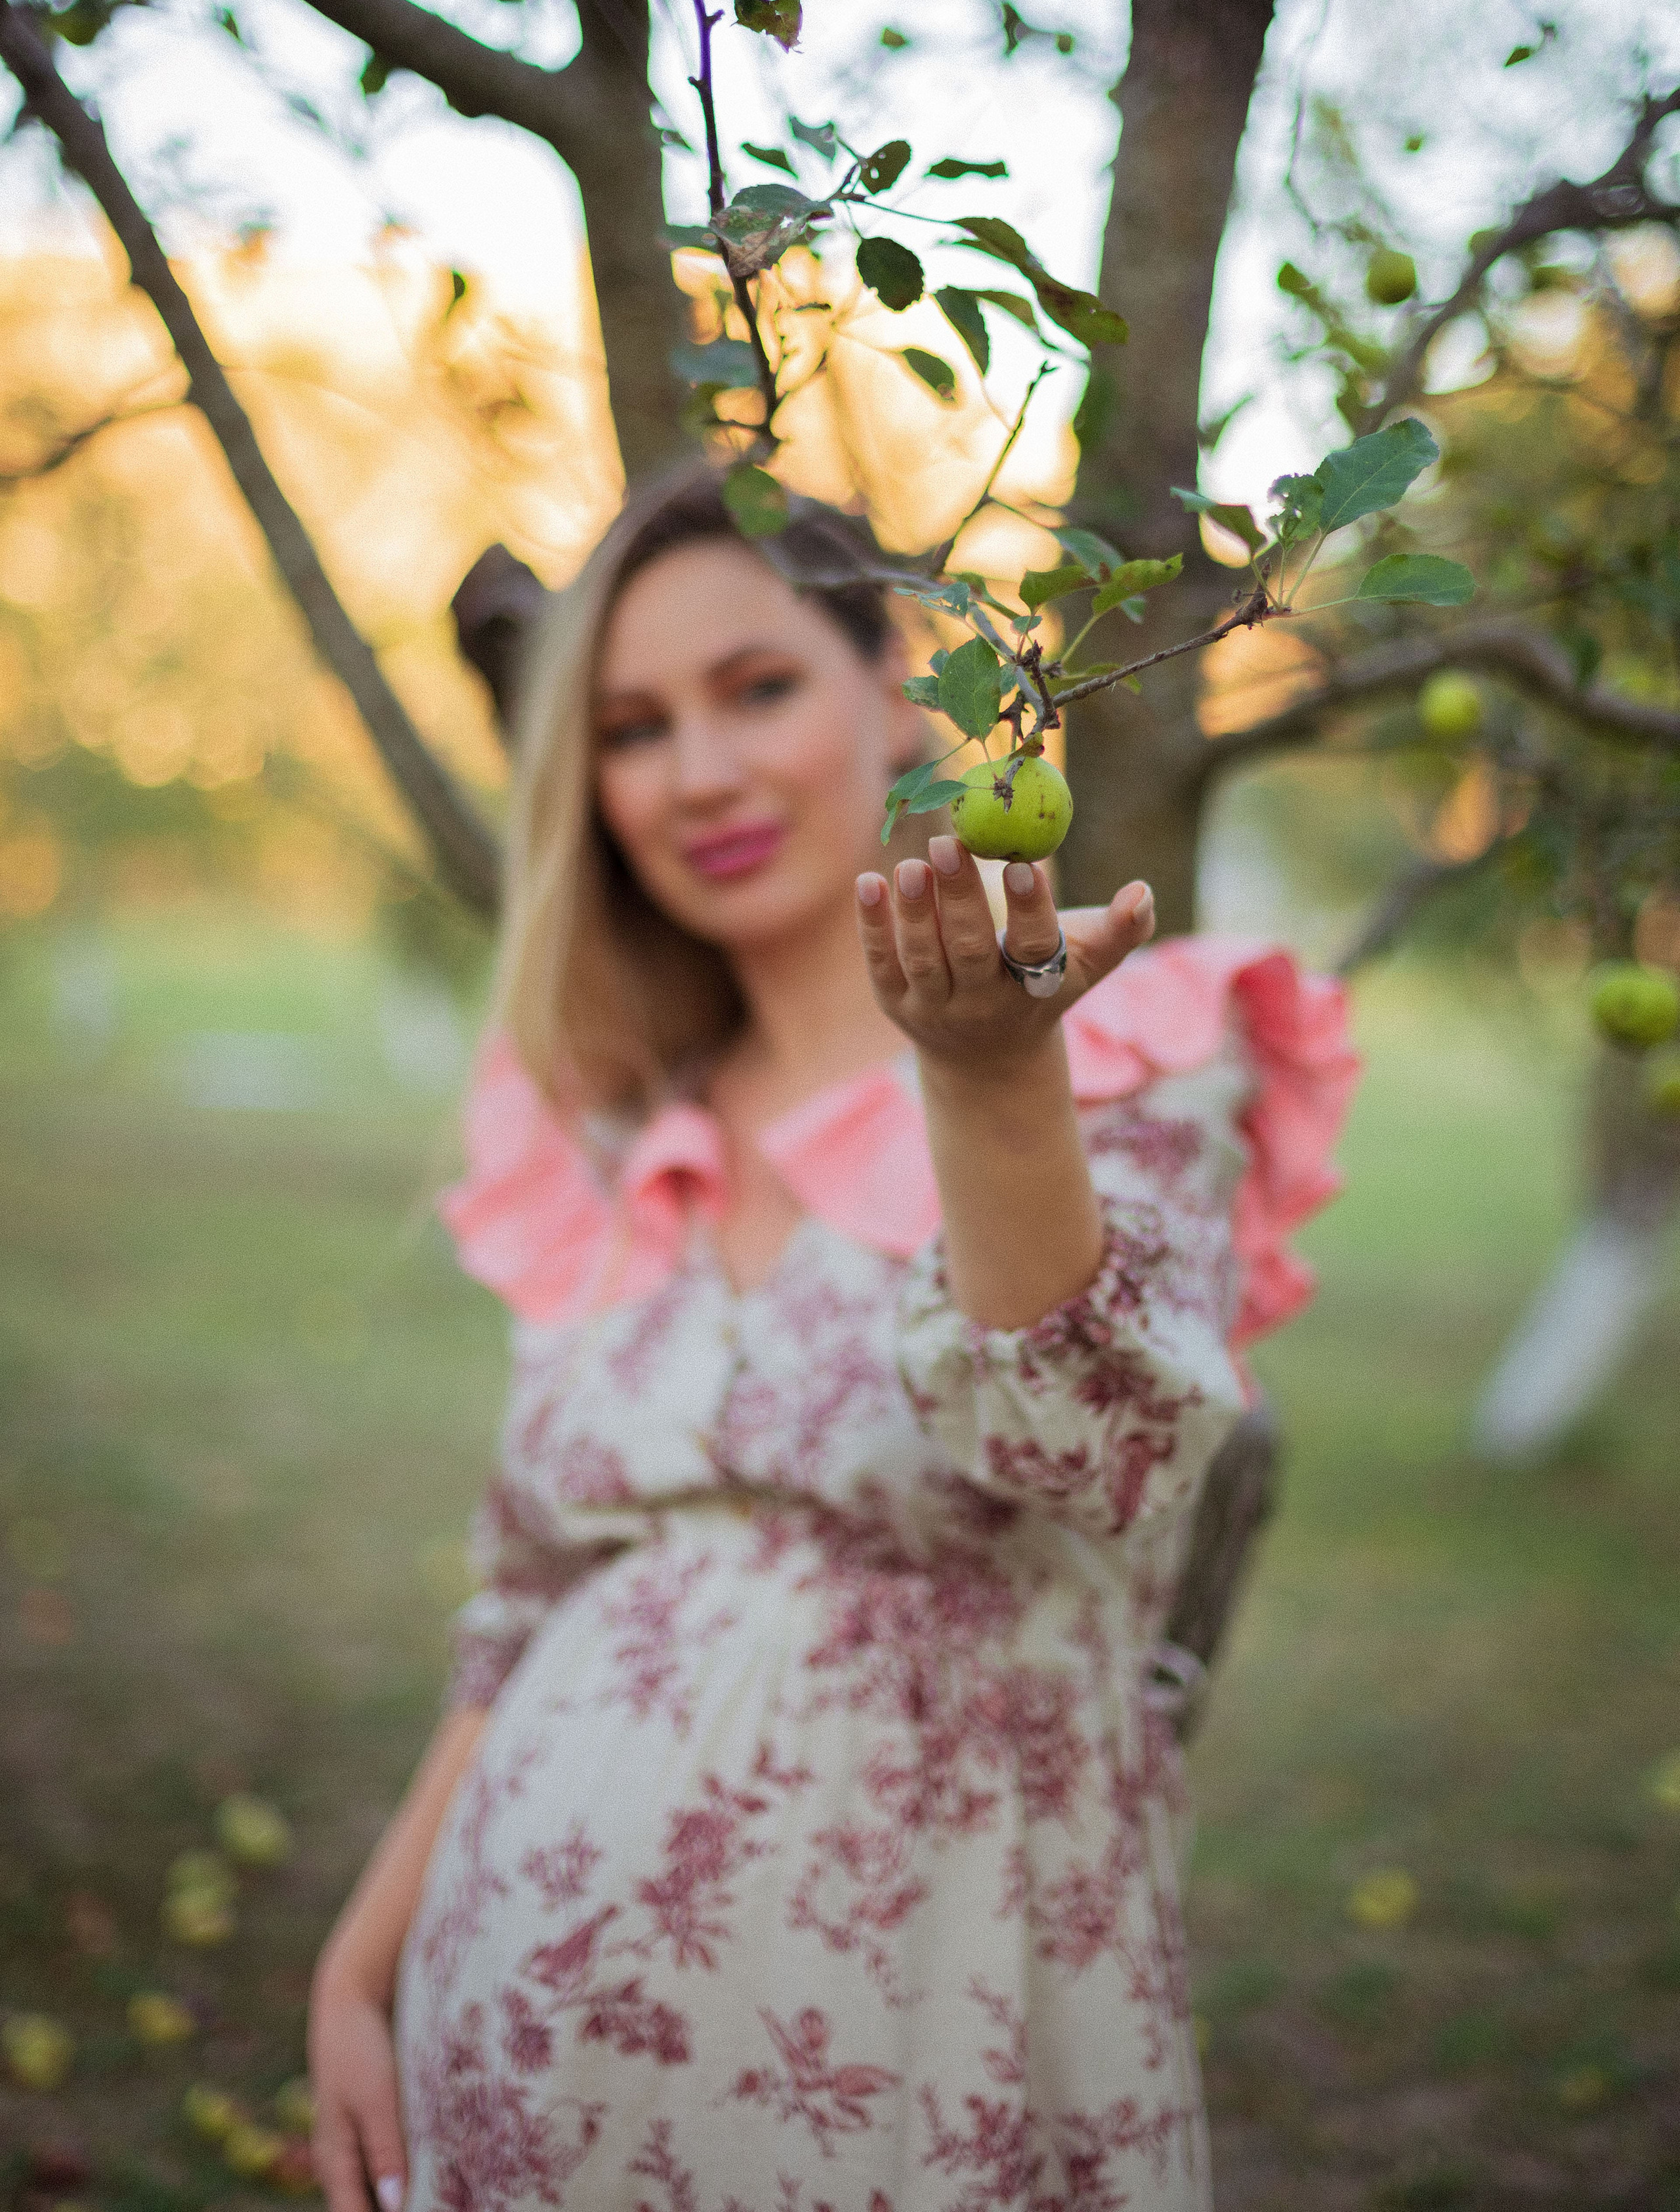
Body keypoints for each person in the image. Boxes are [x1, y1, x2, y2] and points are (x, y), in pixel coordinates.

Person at [307, 468, 1356, 2212]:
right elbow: (524, 1610)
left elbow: (1098, 1448)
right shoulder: (613, 1143)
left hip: (922, 2067)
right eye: (634, 729)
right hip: (513, 2093)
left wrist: (992, 1086)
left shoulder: (1109, 1046)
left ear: (899, 685)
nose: (698, 774)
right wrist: (357, 1967)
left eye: (760, 688)